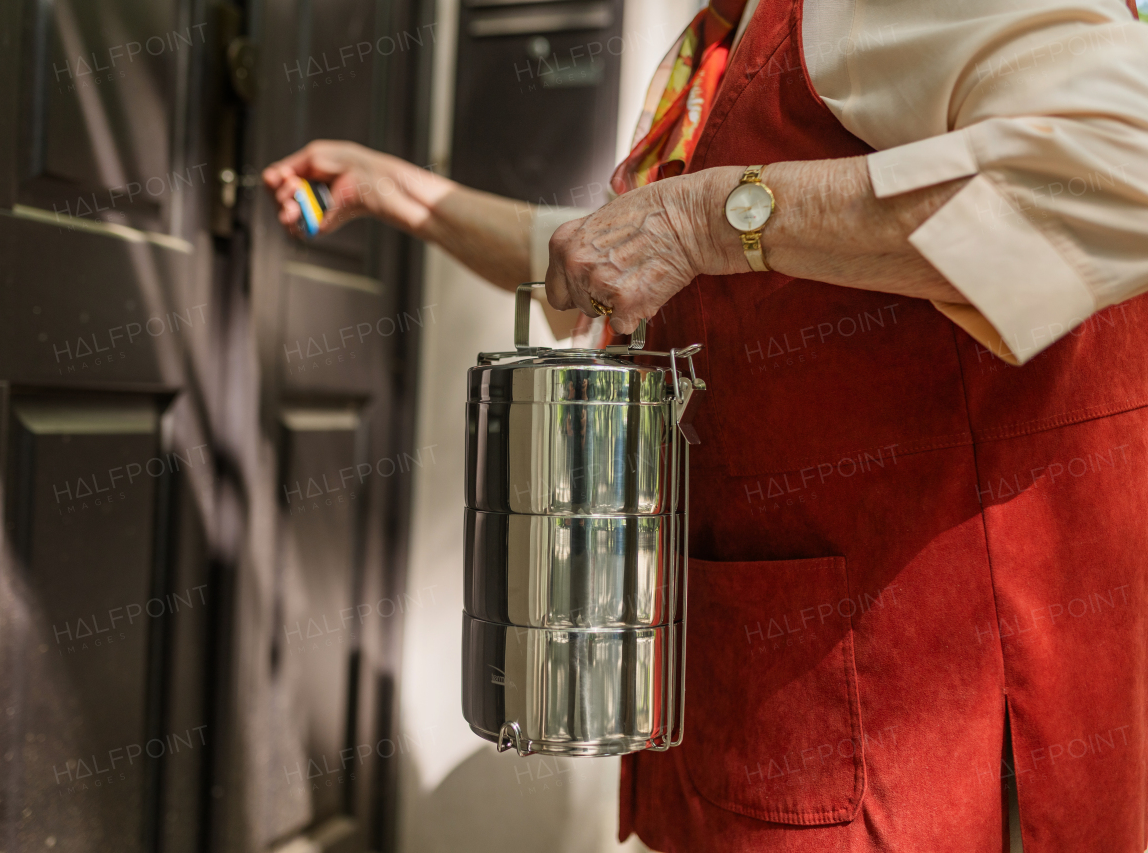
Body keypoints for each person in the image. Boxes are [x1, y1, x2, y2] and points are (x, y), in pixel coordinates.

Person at [264, 0, 1148, 850]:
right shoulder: (740, 36)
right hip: (768, 705)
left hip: (919, 740)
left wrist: (706, 220)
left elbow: (1121, 159)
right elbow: (596, 250)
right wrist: (398, 195)